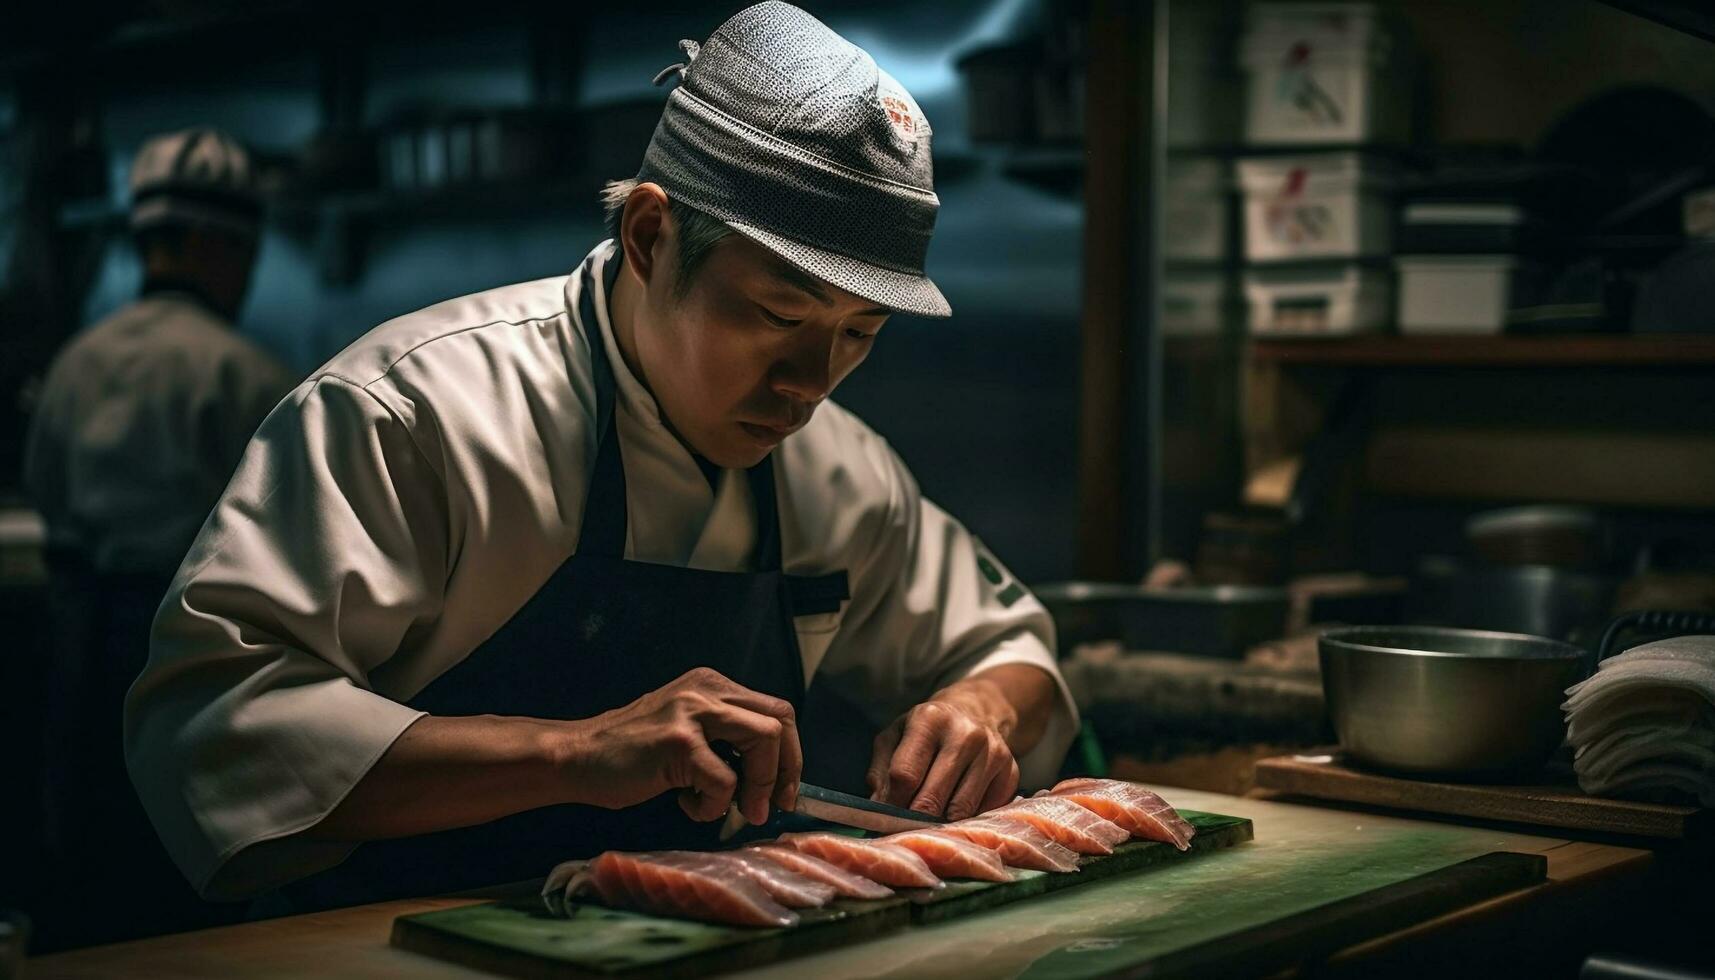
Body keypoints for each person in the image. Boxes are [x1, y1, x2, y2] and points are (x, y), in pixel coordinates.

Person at [125, 2, 1078, 911]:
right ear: (651, 236)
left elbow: (1007, 645)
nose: (810, 381)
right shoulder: (418, 414)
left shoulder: (840, 471)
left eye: (858, 334)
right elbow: (211, 727)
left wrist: (982, 708)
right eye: (778, 315)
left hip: (682, 939)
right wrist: (570, 753)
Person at [24, 127, 295, 944]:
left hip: (80, 636)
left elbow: (49, 501)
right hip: (197, 646)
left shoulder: (77, 360)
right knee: (176, 879)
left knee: (79, 852)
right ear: (222, 246)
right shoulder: (244, 372)